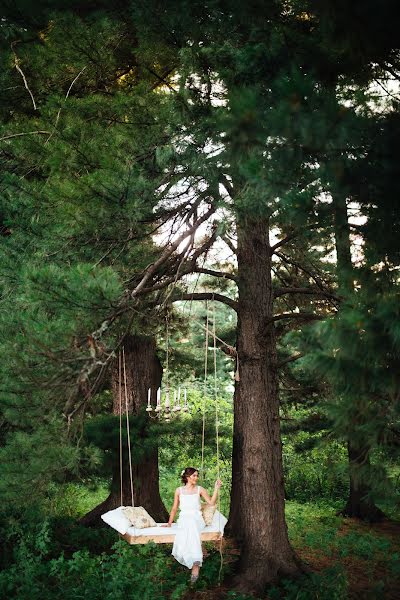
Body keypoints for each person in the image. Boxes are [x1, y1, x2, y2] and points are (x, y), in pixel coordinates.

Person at [163, 467, 222, 583]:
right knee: (186, 525)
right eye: (194, 475)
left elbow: (211, 503)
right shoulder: (179, 490)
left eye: (197, 475)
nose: (196, 478)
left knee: (191, 523)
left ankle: (195, 563)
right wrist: (169, 523)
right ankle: (196, 557)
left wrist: (216, 488)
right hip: (184, 518)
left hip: (196, 518)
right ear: (187, 477)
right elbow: (174, 508)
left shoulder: (200, 489)